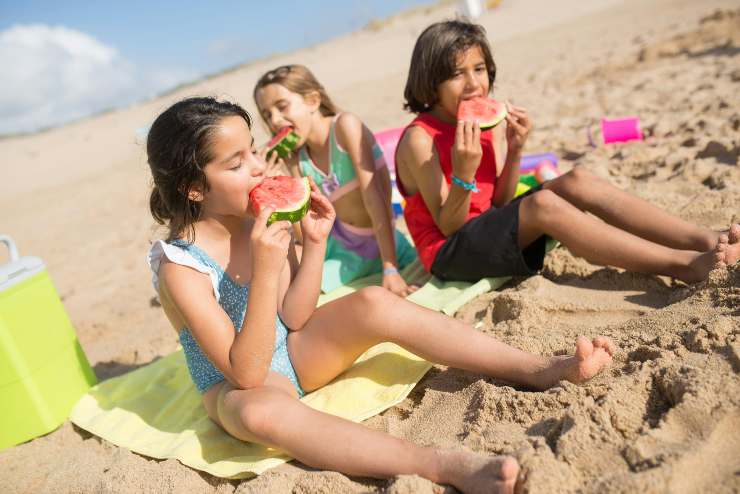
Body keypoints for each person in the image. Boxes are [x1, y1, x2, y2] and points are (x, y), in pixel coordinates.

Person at [145, 96, 616, 493]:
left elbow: (294, 315)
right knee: (261, 413)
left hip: (292, 351)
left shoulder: (258, 221)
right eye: (236, 163)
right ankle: (438, 465)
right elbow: (246, 372)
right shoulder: (180, 267)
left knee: (372, 301)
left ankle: (539, 369)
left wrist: (313, 245)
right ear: (193, 187)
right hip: (238, 384)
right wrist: (267, 268)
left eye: (252, 152)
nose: (258, 168)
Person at [394, 20, 740, 284]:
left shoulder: (486, 122)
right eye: (456, 74)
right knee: (543, 204)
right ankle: (685, 265)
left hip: (485, 227)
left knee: (576, 179)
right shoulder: (419, 141)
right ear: (431, 82)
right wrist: (464, 173)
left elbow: (497, 202)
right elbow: (449, 225)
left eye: (479, 69)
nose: (473, 84)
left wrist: (515, 150)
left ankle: (708, 239)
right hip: (446, 253)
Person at [253, 64, 417, 296]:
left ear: (312, 101)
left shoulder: (345, 126)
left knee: (297, 289)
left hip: (372, 246)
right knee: (279, 269)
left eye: (282, 107)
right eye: (267, 114)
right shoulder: (298, 158)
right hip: (335, 245)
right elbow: (303, 233)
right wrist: (275, 182)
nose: (275, 121)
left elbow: (376, 199)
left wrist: (390, 269)